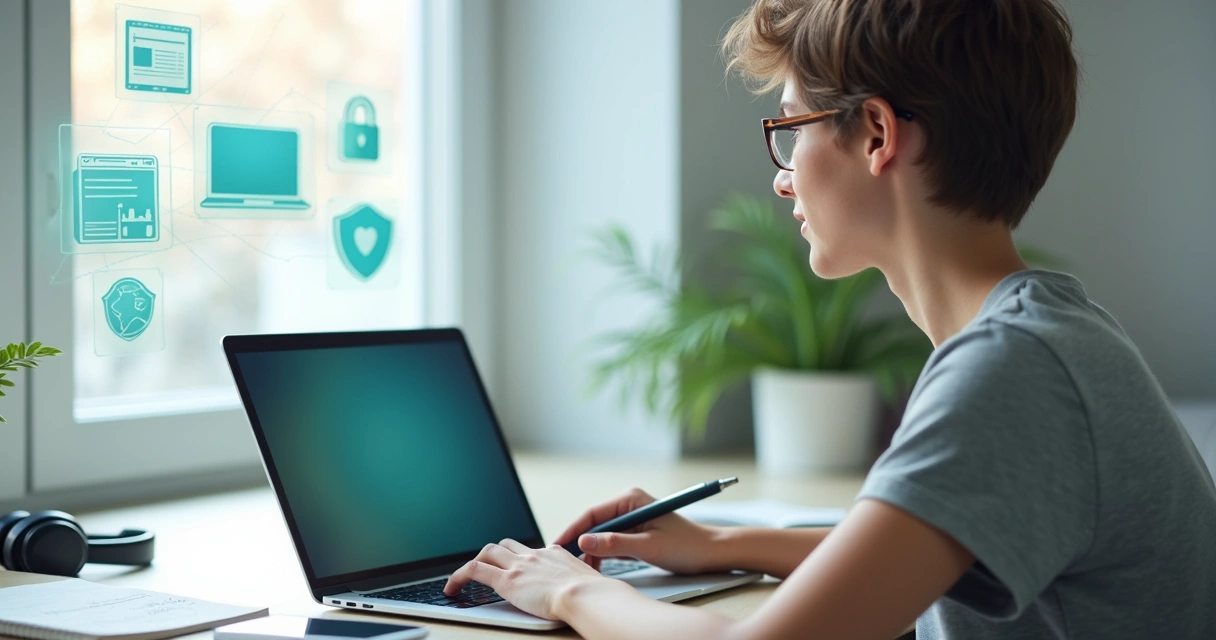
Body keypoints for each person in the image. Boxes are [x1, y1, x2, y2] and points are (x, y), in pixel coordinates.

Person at [443, 0, 1216, 637]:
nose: (782, 182)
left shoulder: (1012, 374)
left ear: (876, 134)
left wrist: (568, 592)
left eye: (790, 129)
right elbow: (917, 553)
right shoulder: (1052, 332)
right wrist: (721, 545)